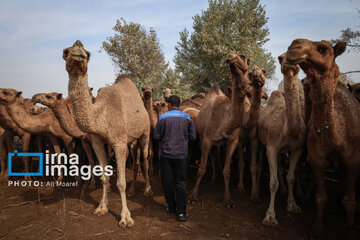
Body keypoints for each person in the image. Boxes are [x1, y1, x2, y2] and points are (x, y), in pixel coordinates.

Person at [153, 95, 196, 221]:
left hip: (166, 155)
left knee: (168, 183)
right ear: (179, 104)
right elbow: (193, 137)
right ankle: (182, 212)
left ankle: (172, 208)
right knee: (181, 182)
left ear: (169, 105)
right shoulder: (187, 117)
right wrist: (183, 141)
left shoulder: (162, 118)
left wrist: (165, 139)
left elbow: (156, 137)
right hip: (182, 156)